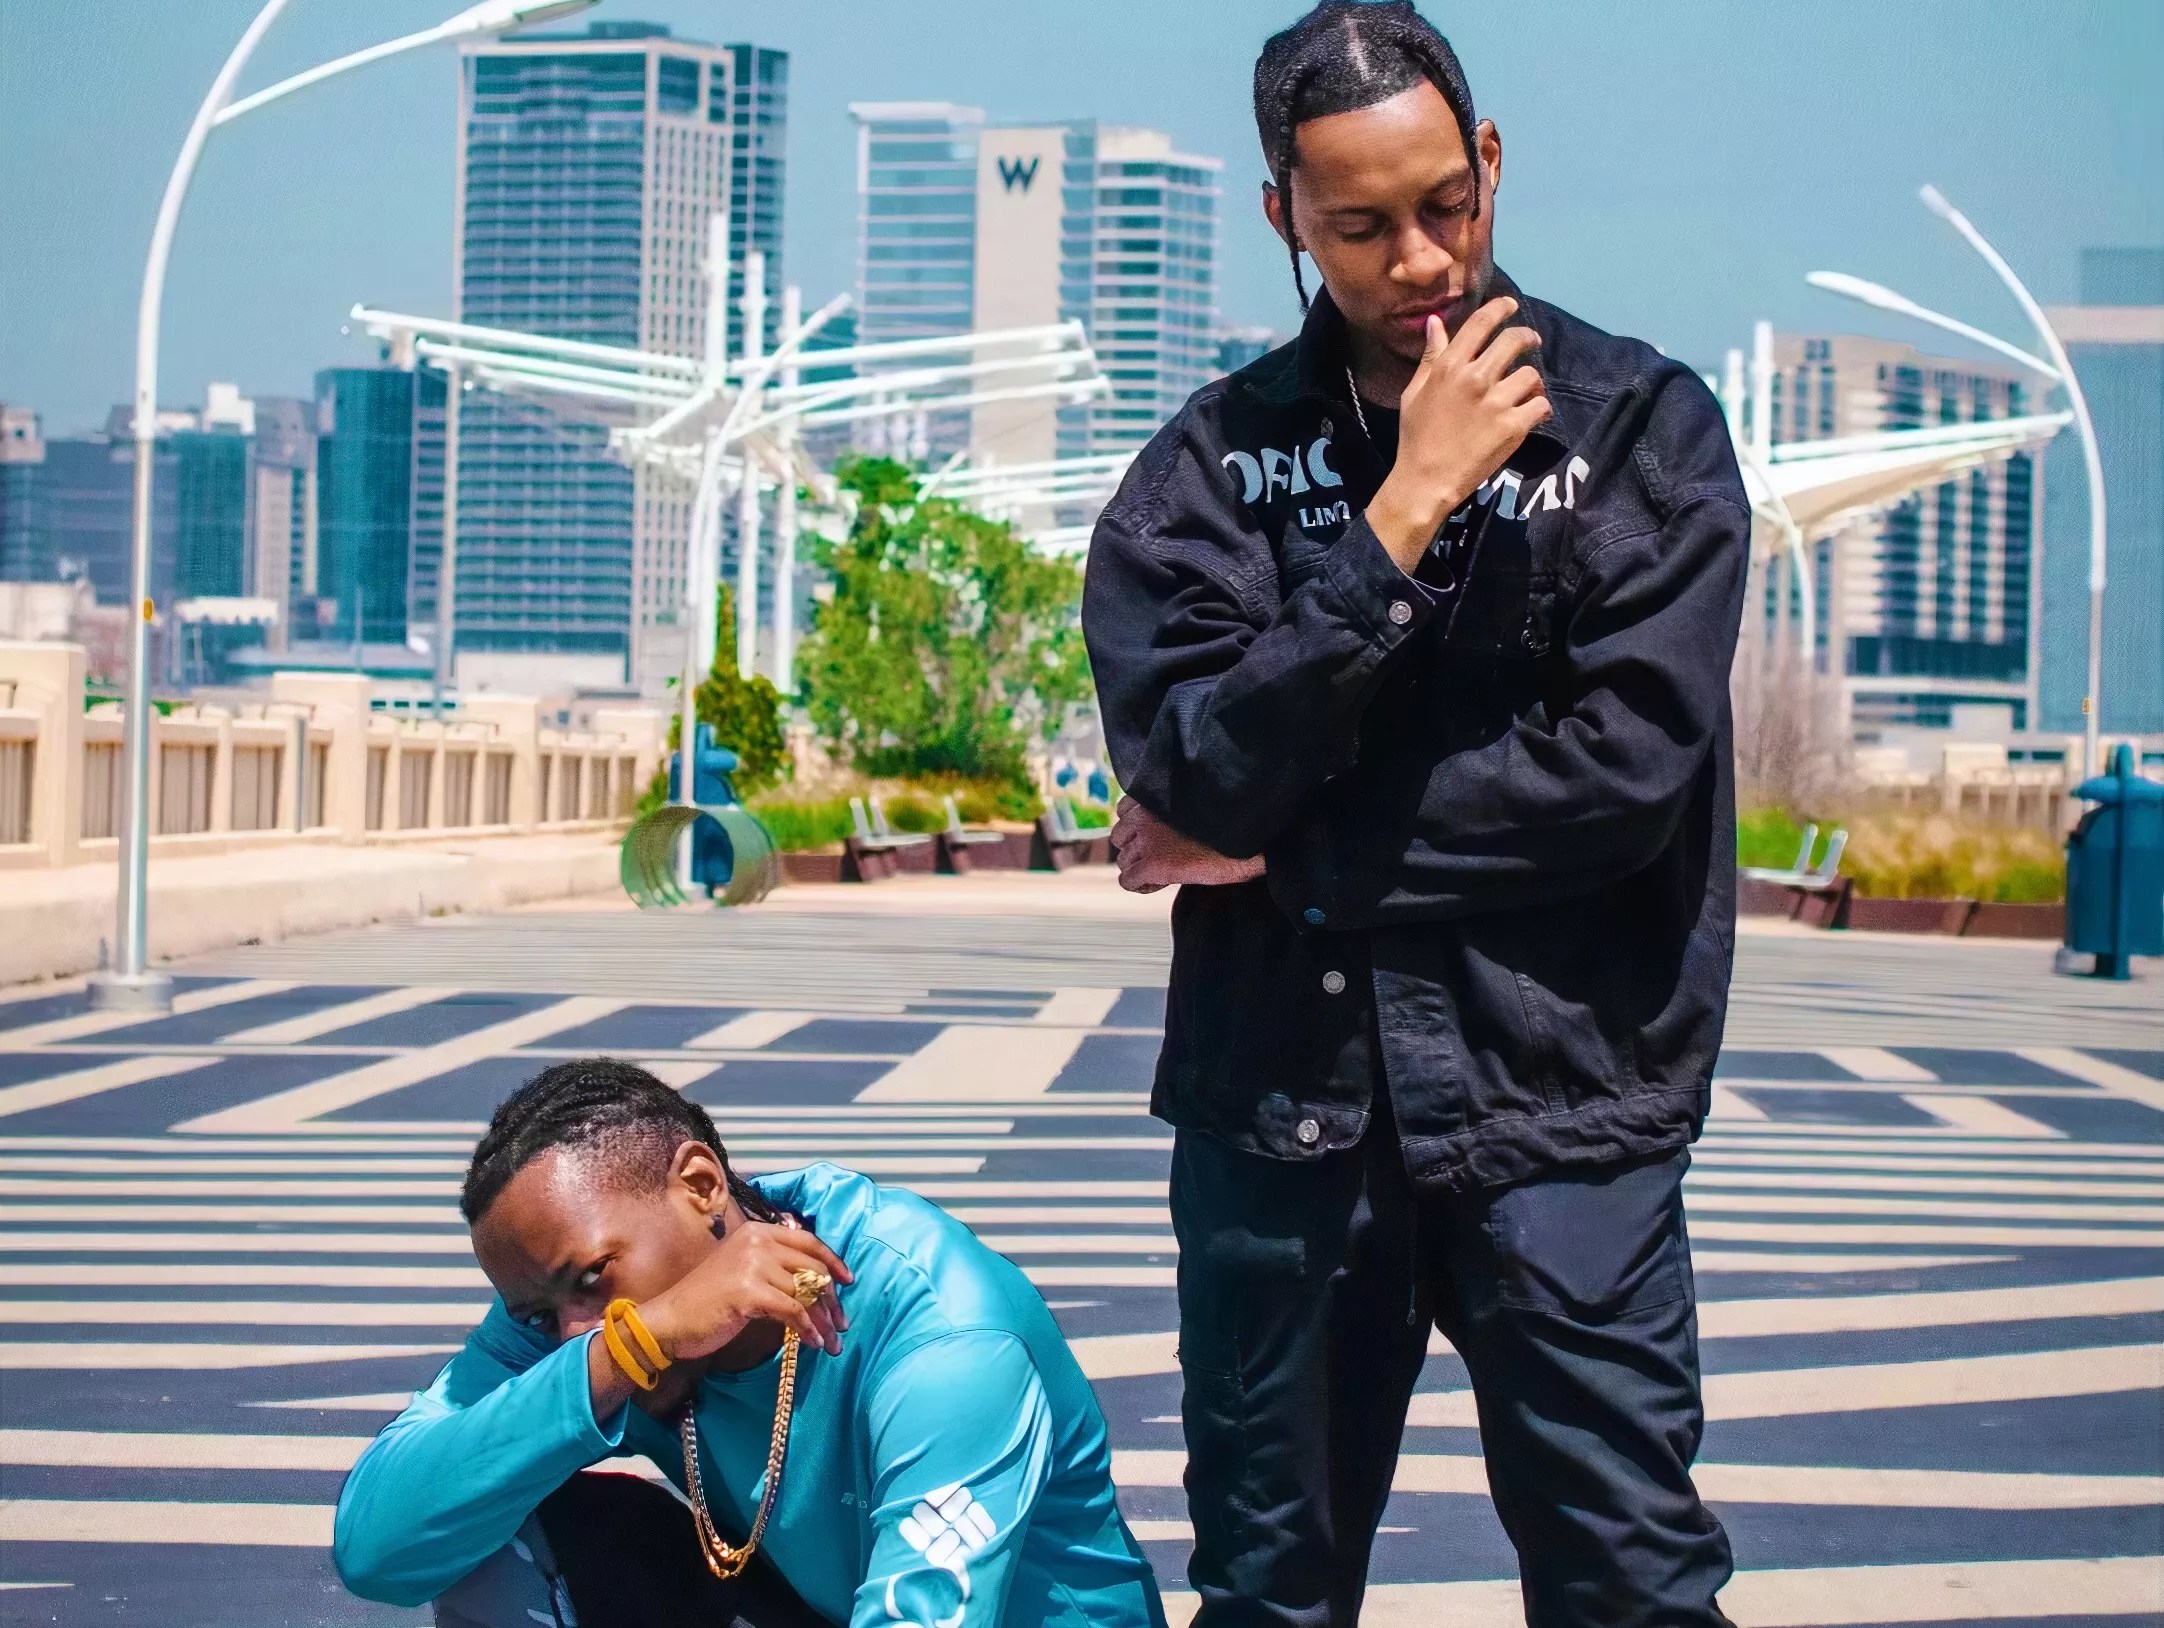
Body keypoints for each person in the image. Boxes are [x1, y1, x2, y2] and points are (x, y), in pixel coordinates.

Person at [1081, 5, 1747, 1626]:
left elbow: (1617, 783)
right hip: (1282, 1120)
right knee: (1270, 1594)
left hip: (1568, 1107)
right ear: (1283, 217)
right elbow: (1191, 773)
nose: (1421, 260)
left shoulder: (1639, 433)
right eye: (1361, 226)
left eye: (1447, 203)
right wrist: (1399, 513)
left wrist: (1289, 842)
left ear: (1491, 161)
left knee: (1632, 1586)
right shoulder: (1208, 474)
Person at [332, 1058, 1166, 1628]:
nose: (573, 1332)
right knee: (491, 1521)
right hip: (815, 1606)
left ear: (700, 1186)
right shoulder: (583, 1328)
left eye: (591, 1277)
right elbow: (379, 1548)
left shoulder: (943, 1334)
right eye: (539, 1316)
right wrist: (631, 1348)